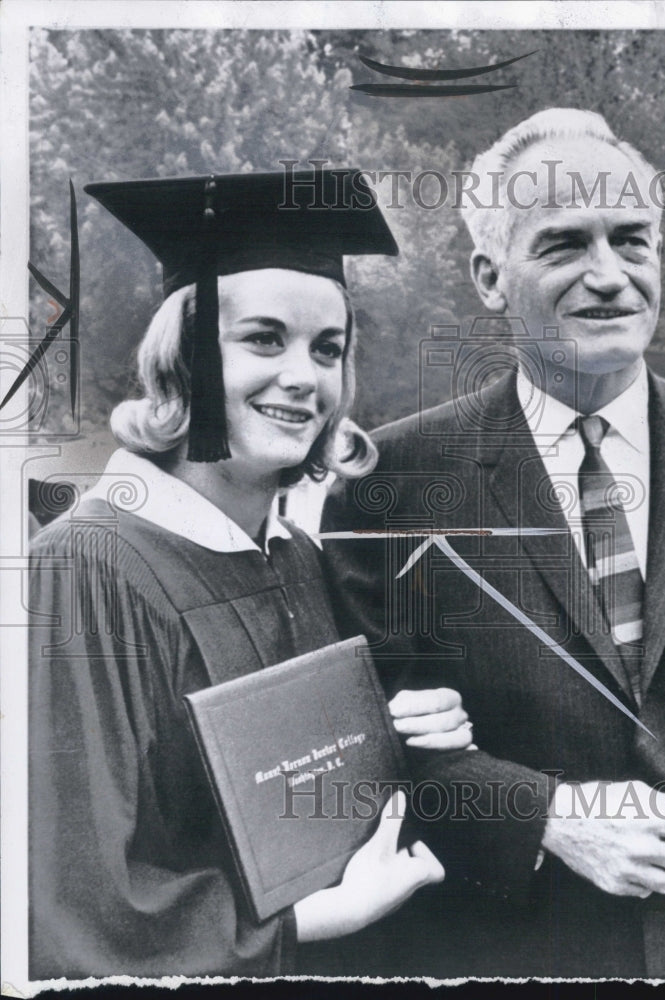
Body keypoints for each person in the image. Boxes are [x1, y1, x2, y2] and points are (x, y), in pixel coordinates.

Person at [322, 109, 665, 979]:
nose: (609, 276)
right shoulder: (390, 480)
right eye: (563, 245)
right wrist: (542, 812)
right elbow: (360, 758)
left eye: (632, 240)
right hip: (506, 955)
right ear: (488, 276)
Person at [28, 169, 474, 980]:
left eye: (328, 350)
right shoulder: (86, 569)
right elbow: (68, 905)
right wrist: (305, 919)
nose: (304, 377)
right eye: (265, 339)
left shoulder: (294, 557)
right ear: (184, 358)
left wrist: (384, 731)